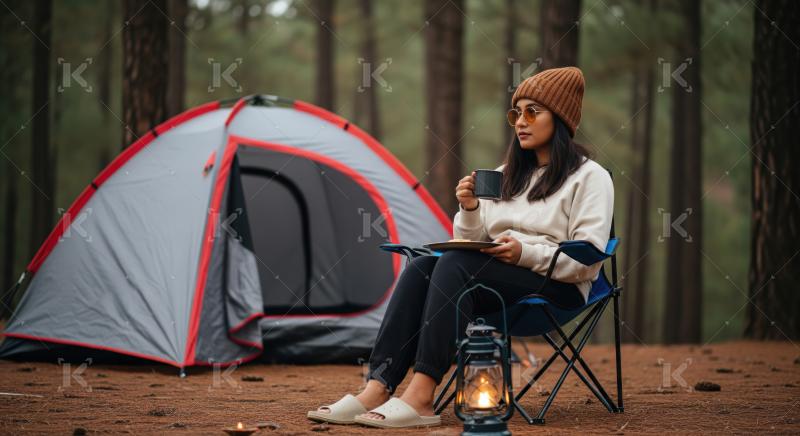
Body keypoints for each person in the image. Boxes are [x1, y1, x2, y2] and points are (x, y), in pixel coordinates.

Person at [307, 66, 614, 429]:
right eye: (516, 113)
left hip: (557, 286)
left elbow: (587, 259)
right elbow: (476, 239)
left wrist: (525, 253)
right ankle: (378, 386)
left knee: (455, 263)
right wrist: (469, 210)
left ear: (560, 119)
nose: (520, 122)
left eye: (533, 111)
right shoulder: (506, 173)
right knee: (423, 267)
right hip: (497, 279)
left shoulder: (590, 177)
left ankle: (422, 394)